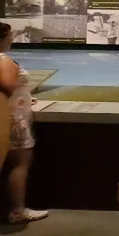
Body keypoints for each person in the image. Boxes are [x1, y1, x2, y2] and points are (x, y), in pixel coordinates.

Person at [0, 22, 48, 223]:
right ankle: (18, 210)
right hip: (15, 120)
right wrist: (20, 96)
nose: (12, 38)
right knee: (20, 164)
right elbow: (7, 87)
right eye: (10, 35)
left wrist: (25, 97)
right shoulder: (3, 59)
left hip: (11, 116)